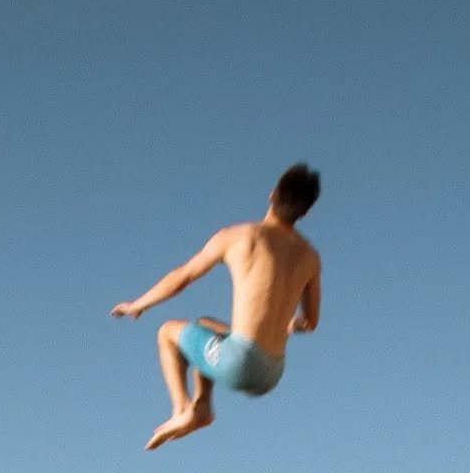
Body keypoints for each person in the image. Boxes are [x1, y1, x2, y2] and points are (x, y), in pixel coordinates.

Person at [111, 163, 322, 450]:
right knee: (206, 324)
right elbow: (310, 322)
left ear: (272, 194)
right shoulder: (310, 257)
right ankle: (203, 406)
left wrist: (138, 305)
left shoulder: (239, 236)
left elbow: (182, 277)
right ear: (305, 212)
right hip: (272, 373)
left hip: (241, 362)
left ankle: (182, 410)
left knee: (167, 333)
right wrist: (288, 325)